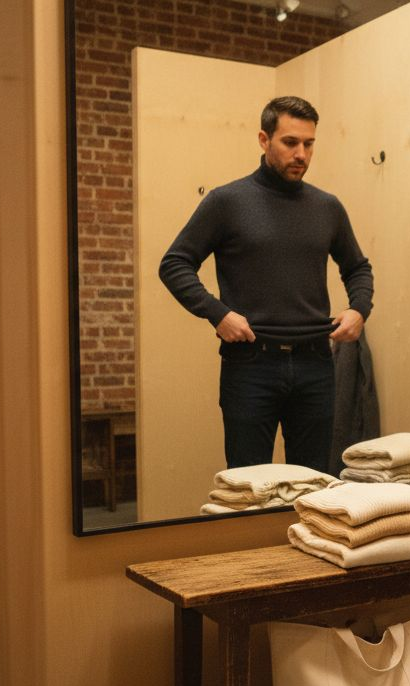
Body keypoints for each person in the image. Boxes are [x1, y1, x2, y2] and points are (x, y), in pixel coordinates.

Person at [159, 96, 373, 473]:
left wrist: (359, 310)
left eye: (309, 144)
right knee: (248, 485)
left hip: (315, 363)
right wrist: (218, 314)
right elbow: (175, 264)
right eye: (290, 142)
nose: (301, 154)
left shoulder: (327, 207)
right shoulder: (227, 201)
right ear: (264, 139)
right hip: (251, 364)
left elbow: (358, 268)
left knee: (313, 485)